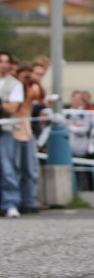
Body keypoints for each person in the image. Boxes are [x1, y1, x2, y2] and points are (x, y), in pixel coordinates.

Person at [12, 65, 42, 213]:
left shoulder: (31, 89)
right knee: (15, 169)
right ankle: (15, 201)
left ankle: (29, 201)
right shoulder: (13, 88)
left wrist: (35, 80)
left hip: (27, 133)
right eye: (24, 75)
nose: (26, 78)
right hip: (13, 133)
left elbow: (41, 95)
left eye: (29, 75)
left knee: (30, 170)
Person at [0, 51, 26, 217]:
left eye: (5, 61)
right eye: (0, 61)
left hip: (4, 130)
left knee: (7, 168)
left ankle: (10, 203)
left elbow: (12, 108)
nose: (3, 64)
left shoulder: (15, 84)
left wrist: (2, 105)